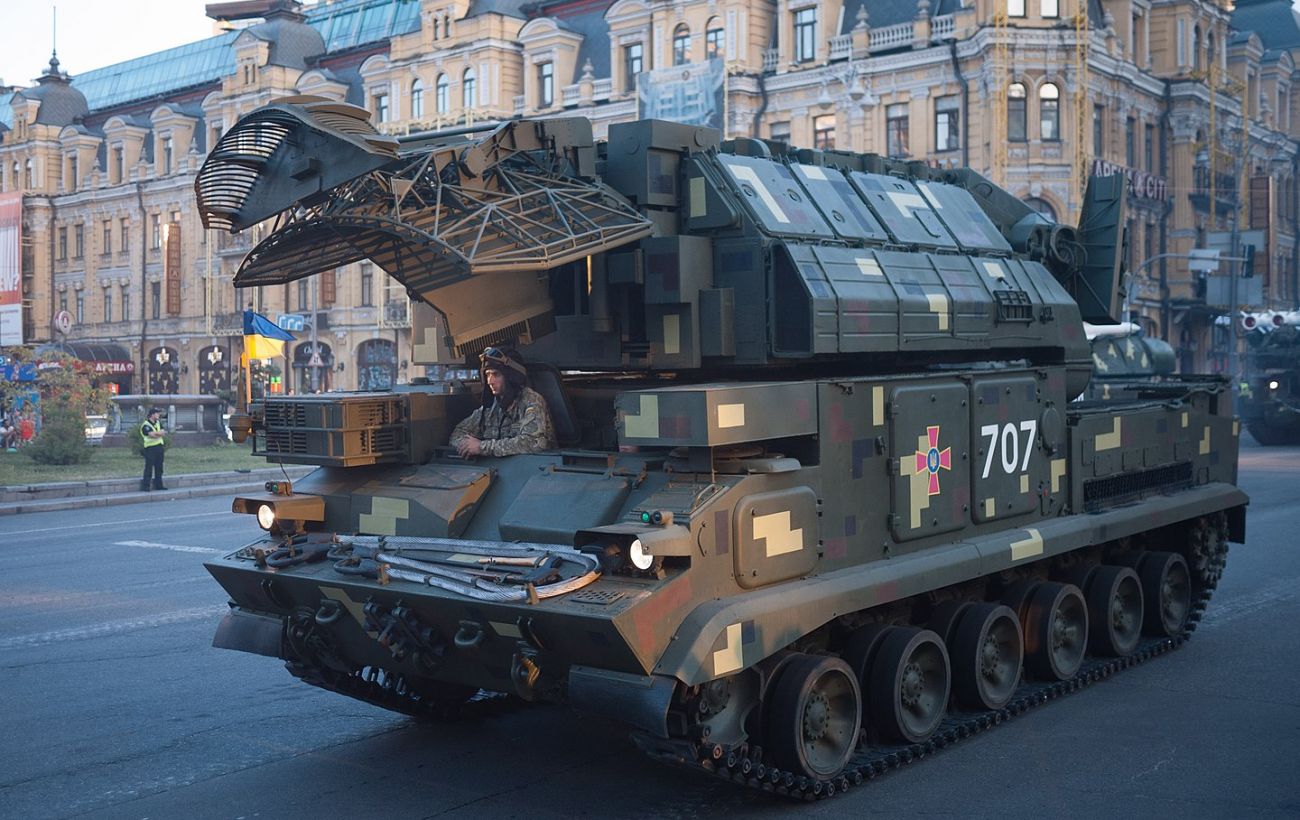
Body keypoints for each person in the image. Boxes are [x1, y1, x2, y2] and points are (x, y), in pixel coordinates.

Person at [449, 347, 556, 457]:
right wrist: (468, 446)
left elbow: (532, 443)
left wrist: (482, 447)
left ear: (511, 376)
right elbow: (458, 434)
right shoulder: (491, 407)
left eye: (496, 374)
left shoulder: (532, 402)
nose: (490, 381)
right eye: (487, 375)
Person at [140, 407, 167, 491]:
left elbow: (163, 432)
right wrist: (159, 433)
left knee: (159, 467)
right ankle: (146, 486)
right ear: (152, 414)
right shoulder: (146, 425)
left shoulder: (158, 423)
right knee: (149, 467)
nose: (159, 414)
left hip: (159, 447)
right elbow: (151, 435)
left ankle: (159, 485)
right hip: (150, 448)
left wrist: (157, 433)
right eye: (157, 413)